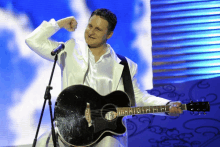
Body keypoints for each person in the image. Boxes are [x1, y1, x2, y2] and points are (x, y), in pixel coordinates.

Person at [25, 8, 182, 147]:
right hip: (69, 128)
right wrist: (60, 23)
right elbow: (33, 41)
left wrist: (167, 105)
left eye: (98, 29)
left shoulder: (125, 66)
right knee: (43, 142)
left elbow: (138, 98)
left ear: (109, 34)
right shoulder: (70, 49)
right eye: (90, 26)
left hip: (105, 134)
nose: (91, 32)